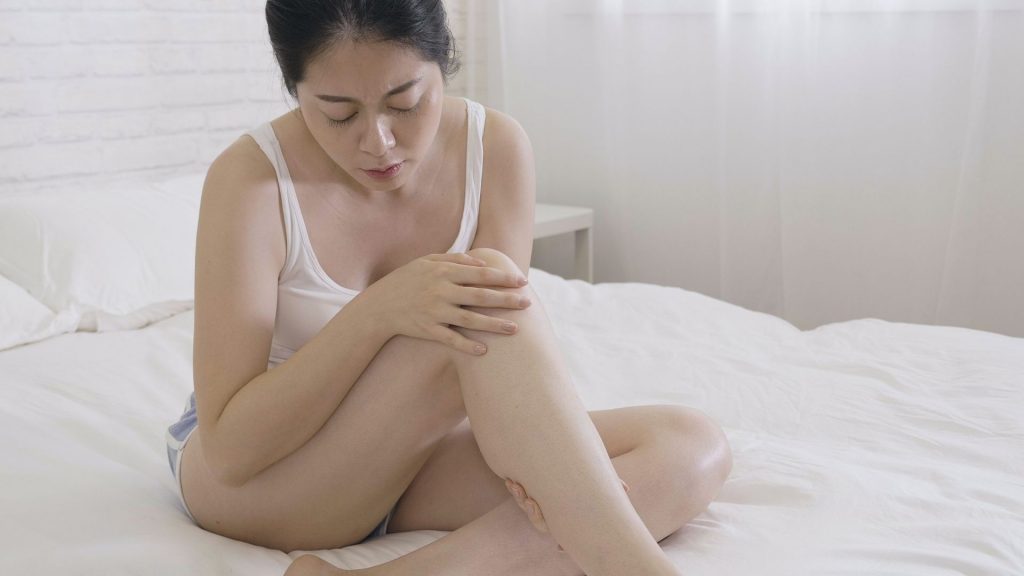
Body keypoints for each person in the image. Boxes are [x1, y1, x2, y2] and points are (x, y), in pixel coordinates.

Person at [164, 1, 733, 575]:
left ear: (444, 63)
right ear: (295, 89)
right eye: (339, 114)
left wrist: (553, 471)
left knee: (689, 447)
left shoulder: (497, 148)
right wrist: (381, 309)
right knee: (468, 305)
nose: (378, 143)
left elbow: (494, 363)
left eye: (405, 103)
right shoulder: (251, 180)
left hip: (411, 454)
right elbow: (232, 450)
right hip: (268, 472)